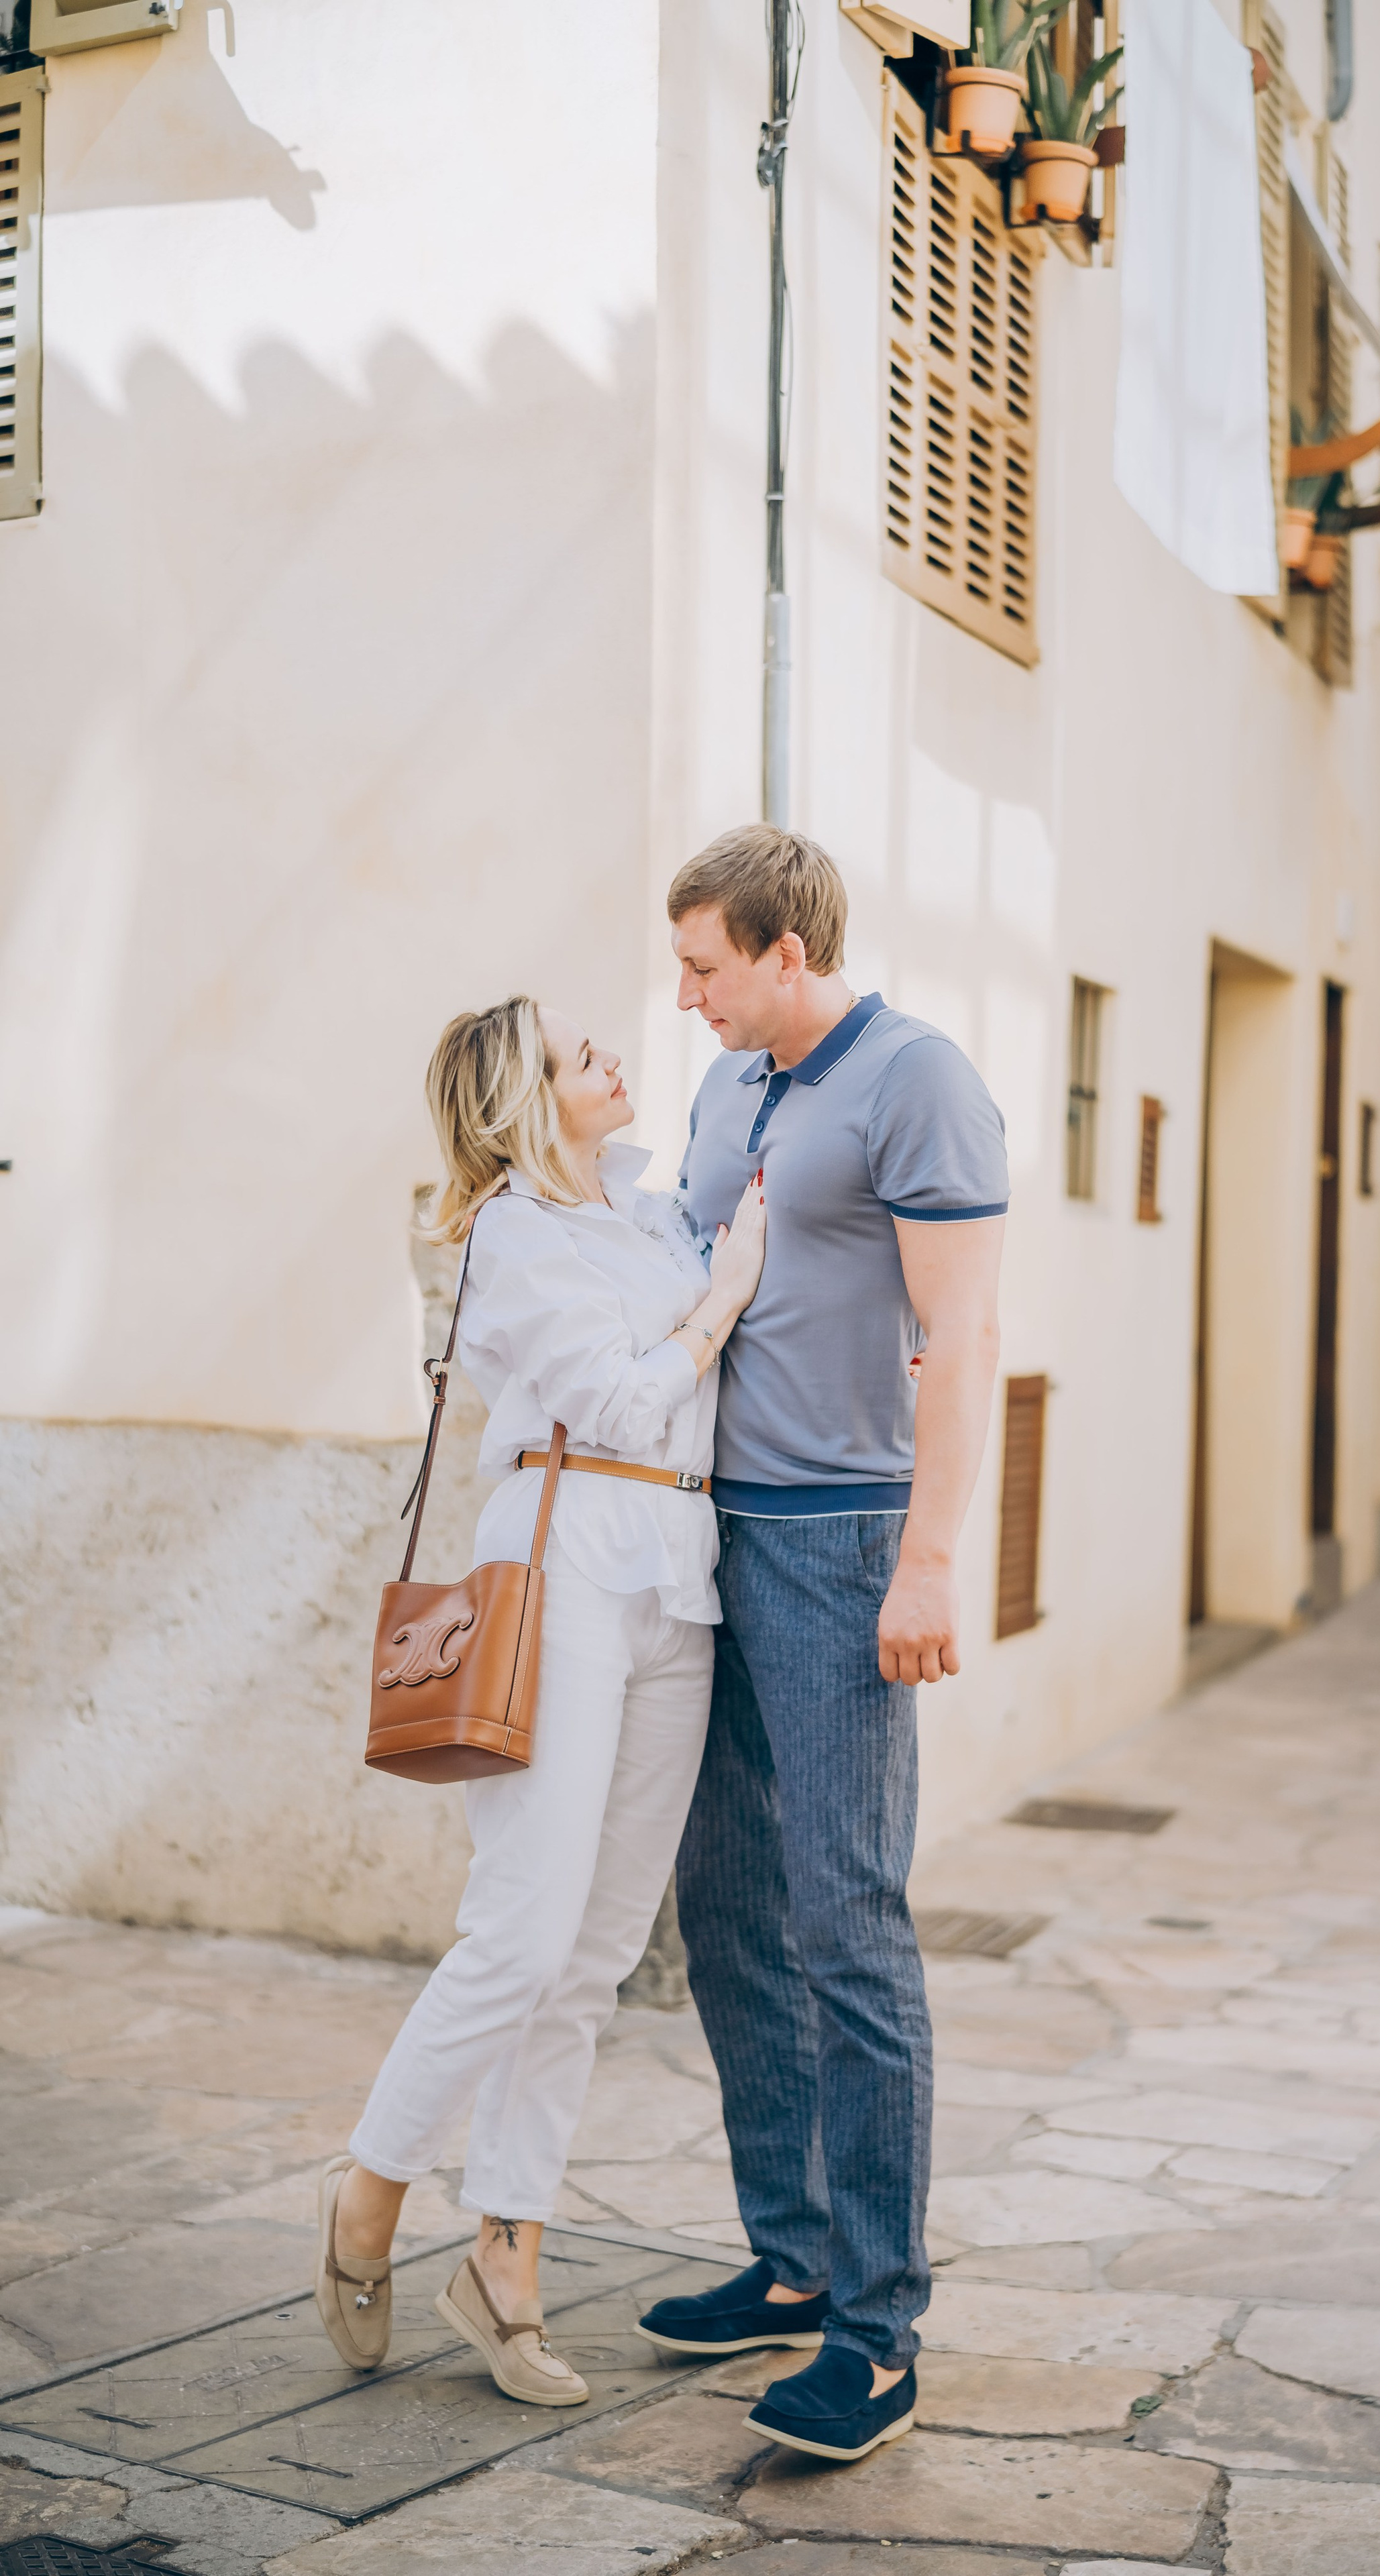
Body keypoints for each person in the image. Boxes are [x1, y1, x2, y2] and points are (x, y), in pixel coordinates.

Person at [316, 996, 765, 2406]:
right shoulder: (513, 1234)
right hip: (562, 1569)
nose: (613, 1058)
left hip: (675, 1580)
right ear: (525, 1103)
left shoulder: (649, 1214)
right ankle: (370, 2193)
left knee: (598, 1950)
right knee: (516, 1934)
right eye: (582, 1057)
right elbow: (624, 1404)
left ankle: (506, 2259)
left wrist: (718, 1275)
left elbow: (679, 1400)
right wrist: (726, 1297)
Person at [635, 827, 1006, 2464]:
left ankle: (876, 2326)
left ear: (790, 952)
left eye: (707, 966)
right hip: (708, 1531)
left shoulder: (916, 1079)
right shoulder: (726, 1091)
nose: (686, 993)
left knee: (844, 1921)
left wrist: (927, 1562)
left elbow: (965, 1334)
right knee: (722, 1903)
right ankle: (790, 2259)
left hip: (846, 1540)